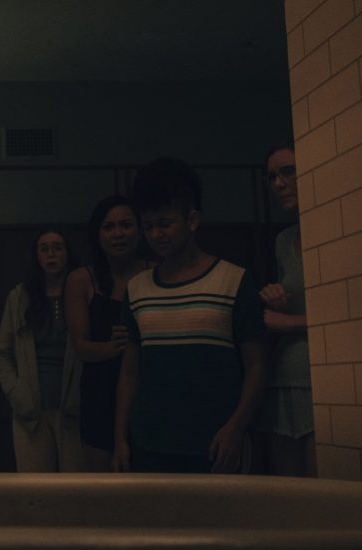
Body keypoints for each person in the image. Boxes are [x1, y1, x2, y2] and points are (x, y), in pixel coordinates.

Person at [113, 158, 266, 474]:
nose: (156, 234)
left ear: (192, 220)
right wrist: (120, 438)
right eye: (148, 225)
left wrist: (236, 428)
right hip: (150, 442)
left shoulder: (233, 280)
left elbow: (258, 364)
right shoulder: (138, 288)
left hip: (214, 443)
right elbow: (130, 372)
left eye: (165, 223)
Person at [65, 196, 148, 471]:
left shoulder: (155, 273)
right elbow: (81, 347)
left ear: (139, 229)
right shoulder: (81, 279)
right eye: (109, 227)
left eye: (126, 225)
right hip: (100, 391)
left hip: (148, 386)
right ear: (97, 234)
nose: (118, 234)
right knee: (103, 484)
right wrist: (121, 347)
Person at [0, 227, 86, 472]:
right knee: (36, 490)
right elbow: (2, 353)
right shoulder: (20, 297)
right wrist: (16, 391)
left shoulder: (82, 292)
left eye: (57, 248)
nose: (51, 254)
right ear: (36, 256)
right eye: (44, 249)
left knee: (77, 489)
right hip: (31, 411)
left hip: (75, 410)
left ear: (67, 253)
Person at [254, 143, 316, 476]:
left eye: (288, 172)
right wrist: (275, 298)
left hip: (321, 377)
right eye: (272, 176)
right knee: (291, 495)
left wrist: (289, 321)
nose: (278, 184)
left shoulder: (339, 230)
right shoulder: (284, 240)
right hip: (284, 376)